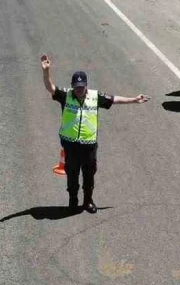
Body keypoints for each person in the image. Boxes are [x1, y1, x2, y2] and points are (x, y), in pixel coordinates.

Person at [41, 54, 149, 214]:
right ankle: (73, 200)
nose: (79, 90)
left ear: (86, 85)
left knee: (89, 175)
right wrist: (46, 71)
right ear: (72, 86)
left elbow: (114, 99)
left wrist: (133, 100)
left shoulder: (95, 96)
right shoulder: (66, 95)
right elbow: (50, 87)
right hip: (70, 145)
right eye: (76, 87)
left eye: (81, 87)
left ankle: (88, 201)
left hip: (89, 145)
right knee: (72, 175)